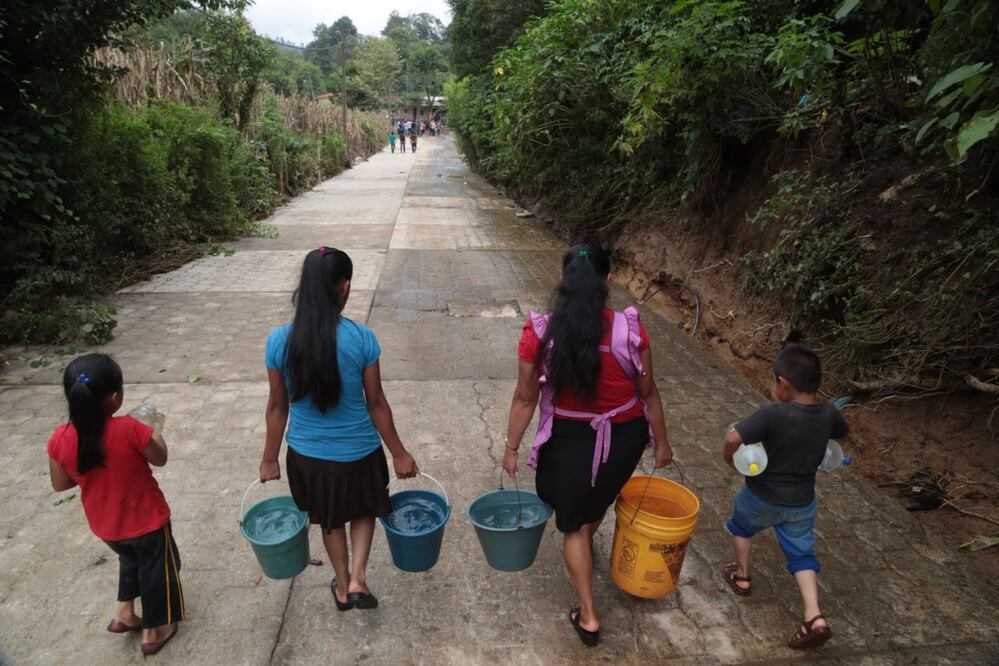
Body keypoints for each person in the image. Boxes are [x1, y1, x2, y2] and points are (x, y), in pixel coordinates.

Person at [503, 244, 673, 647]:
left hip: (570, 439)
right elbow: (649, 393)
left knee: (574, 524)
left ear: (563, 283)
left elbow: (526, 398)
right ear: (608, 282)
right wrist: (662, 444)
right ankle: (585, 530)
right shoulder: (631, 330)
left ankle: (590, 615)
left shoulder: (540, 333)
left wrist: (511, 448)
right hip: (625, 436)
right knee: (594, 501)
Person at [259, 247, 419, 611]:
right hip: (360, 453)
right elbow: (376, 403)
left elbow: (277, 406)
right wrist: (399, 452)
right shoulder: (362, 339)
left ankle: (343, 585)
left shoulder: (278, 342)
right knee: (363, 509)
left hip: (310, 458)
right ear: (344, 287)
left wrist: (269, 459)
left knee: (330, 519)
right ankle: (360, 577)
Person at [47, 354, 182, 656]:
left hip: (107, 528)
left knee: (131, 558)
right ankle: (154, 629)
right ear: (115, 397)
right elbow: (160, 458)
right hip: (147, 521)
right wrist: (153, 431)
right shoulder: (131, 428)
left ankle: (125, 612)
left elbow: (61, 484)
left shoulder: (60, 438)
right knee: (156, 568)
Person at [722, 343, 849, 649]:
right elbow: (841, 434)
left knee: (741, 527)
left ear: (784, 384)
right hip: (802, 503)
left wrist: (730, 457)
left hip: (760, 497)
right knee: (801, 553)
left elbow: (733, 437)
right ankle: (814, 616)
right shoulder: (829, 413)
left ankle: (742, 577)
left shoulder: (773, 415)